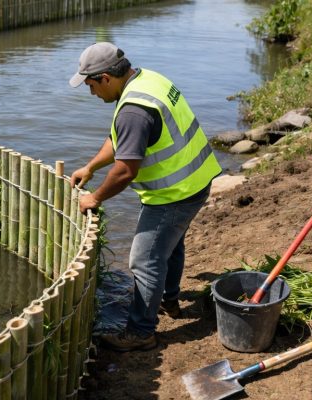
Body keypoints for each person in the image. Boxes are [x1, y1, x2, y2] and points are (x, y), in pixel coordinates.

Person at [68, 42, 221, 352]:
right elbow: (120, 140)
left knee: (144, 259)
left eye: (91, 85)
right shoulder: (147, 80)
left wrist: (95, 198)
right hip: (195, 180)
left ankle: (141, 332)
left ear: (106, 78)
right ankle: (168, 301)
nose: (91, 93)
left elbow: (126, 170)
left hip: (174, 193)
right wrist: (91, 166)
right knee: (170, 245)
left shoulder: (133, 111)